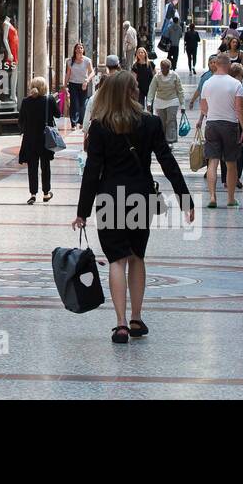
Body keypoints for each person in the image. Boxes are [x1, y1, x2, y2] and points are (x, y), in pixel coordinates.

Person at [74, 72, 194, 343]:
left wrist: (82, 211)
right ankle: (136, 318)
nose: (139, 90)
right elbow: (167, 162)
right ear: (129, 92)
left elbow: (92, 172)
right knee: (137, 256)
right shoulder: (149, 123)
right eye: (136, 87)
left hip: (109, 199)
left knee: (117, 260)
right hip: (140, 197)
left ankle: (120, 324)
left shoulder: (99, 126)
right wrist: (185, 198)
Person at [199, 54, 243, 208]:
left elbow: (203, 107)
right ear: (228, 65)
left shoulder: (207, 83)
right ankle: (231, 199)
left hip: (212, 124)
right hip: (230, 125)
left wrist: (212, 114)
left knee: (212, 163)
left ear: (217, 64)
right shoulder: (235, 84)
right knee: (231, 163)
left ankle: (212, 197)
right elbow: (240, 109)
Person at [18, 76, 59, 204]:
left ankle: (33, 194)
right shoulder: (49, 100)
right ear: (44, 87)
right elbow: (58, 114)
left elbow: (20, 121)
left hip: (30, 140)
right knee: (45, 166)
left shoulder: (26, 101)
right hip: (45, 139)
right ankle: (46, 193)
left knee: (32, 167)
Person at [147, 58, 184, 143]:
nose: (163, 70)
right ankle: (162, 140)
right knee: (162, 122)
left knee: (171, 121)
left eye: (165, 68)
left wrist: (183, 105)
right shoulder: (157, 77)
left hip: (172, 101)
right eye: (162, 67)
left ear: (169, 68)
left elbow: (180, 91)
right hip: (160, 101)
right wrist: (149, 103)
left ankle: (170, 140)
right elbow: (151, 90)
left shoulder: (175, 76)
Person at [83, 54, 121, 126]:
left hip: (103, 122)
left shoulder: (105, 80)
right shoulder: (122, 80)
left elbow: (90, 108)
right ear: (118, 65)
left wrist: (85, 128)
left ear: (107, 66)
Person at [65, 42, 95, 131]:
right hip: (73, 83)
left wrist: (87, 80)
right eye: (78, 48)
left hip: (83, 84)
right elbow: (68, 74)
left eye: (81, 48)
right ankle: (73, 123)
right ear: (75, 50)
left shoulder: (87, 61)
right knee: (74, 103)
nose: (79, 49)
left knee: (83, 103)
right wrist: (65, 85)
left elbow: (92, 72)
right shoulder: (70, 61)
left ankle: (82, 122)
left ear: (83, 50)